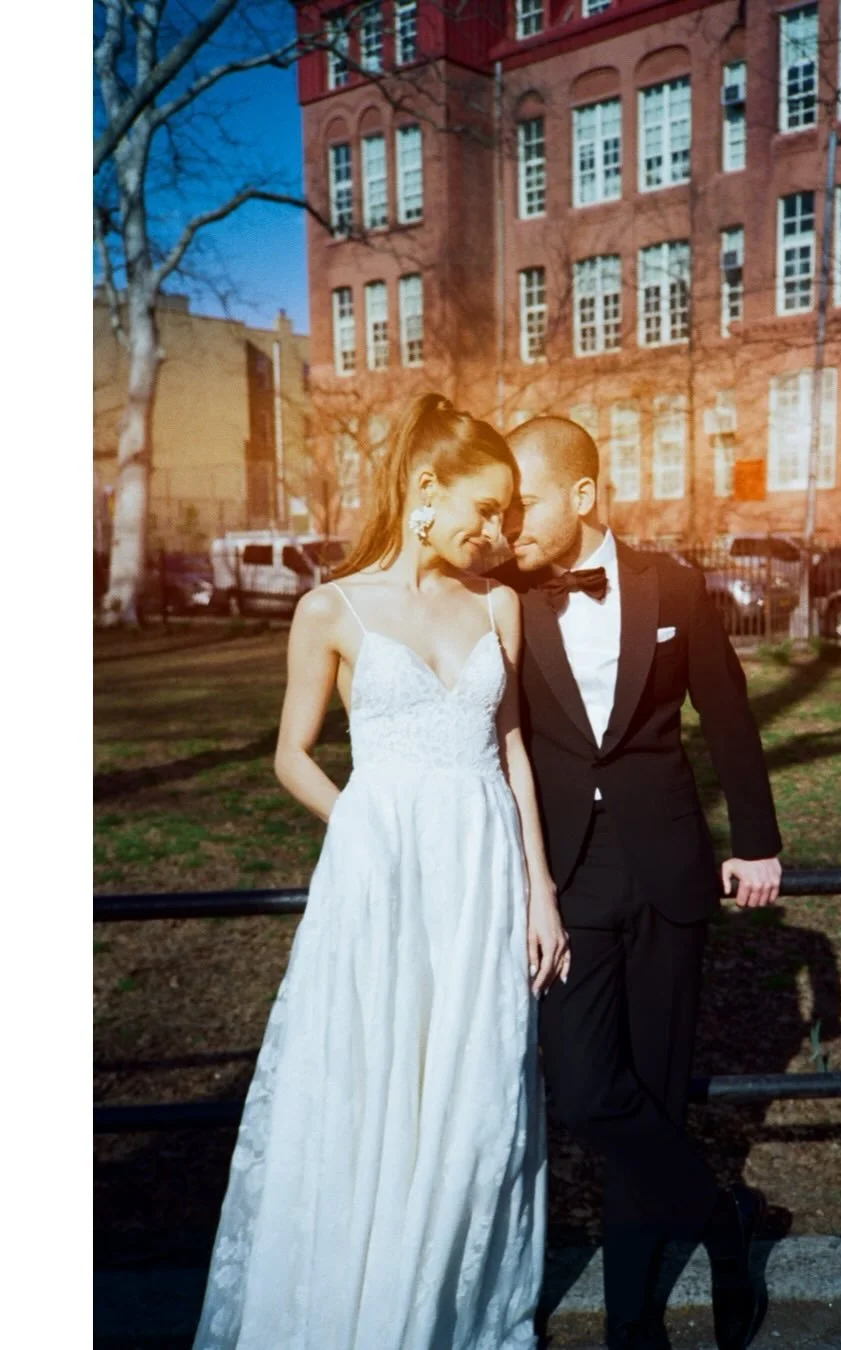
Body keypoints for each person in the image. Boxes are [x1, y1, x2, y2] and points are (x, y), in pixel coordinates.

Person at [191, 393, 569, 1350]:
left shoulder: (499, 605)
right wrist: (360, 822)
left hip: (483, 874)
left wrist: (543, 891)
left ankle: (445, 1306)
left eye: (509, 514)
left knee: (474, 1090)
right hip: (381, 878)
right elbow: (291, 754)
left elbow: (512, 745)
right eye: (485, 510)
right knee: (373, 1075)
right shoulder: (331, 607)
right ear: (425, 491)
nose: (499, 532)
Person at [494, 416, 783, 1350]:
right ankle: (724, 1221)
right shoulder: (504, 596)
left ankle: (630, 1323)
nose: (507, 521)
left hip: (669, 871)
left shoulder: (674, 585)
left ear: (581, 496)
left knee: (652, 1099)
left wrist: (757, 840)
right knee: (584, 1090)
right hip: (567, 878)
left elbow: (729, 714)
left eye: (523, 501)